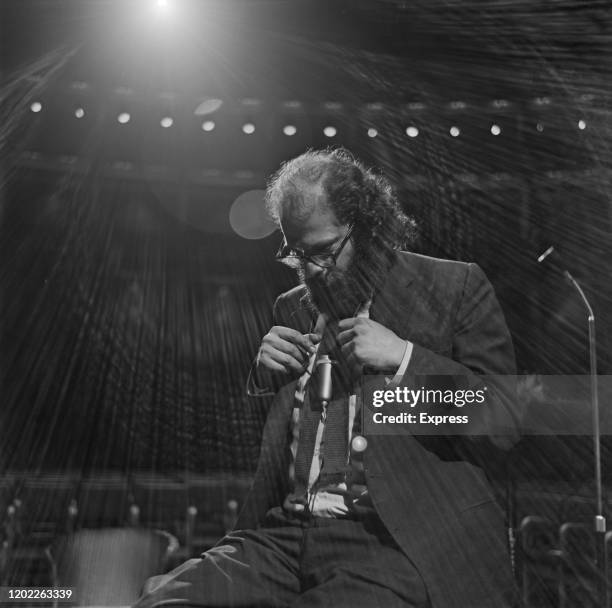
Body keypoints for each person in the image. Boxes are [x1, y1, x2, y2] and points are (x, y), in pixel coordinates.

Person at [134, 148, 520, 608]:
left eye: (325, 251)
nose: (313, 269)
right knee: (164, 599)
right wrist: (263, 380)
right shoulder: (293, 306)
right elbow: (277, 442)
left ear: (368, 227)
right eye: (297, 253)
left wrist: (404, 358)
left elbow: (505, 419)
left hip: (394, 541)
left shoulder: (452, 288)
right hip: (284, 535)